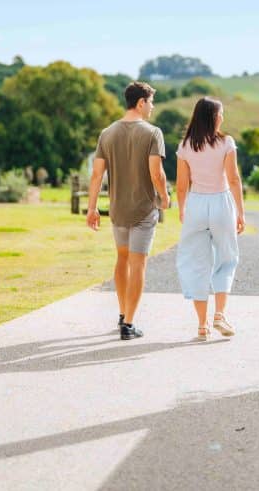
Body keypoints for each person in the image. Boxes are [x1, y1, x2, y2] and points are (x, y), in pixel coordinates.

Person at [87, 81, 170, 340]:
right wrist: (165, 196)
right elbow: (156, 172)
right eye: (151, 102)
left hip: (117, 210)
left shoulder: (107, 133)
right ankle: (129, 324)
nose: (152, 107)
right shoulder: (153, 133)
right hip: (144, 210)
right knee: (138, 264)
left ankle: (123, 314)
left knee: (122, 259)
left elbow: (96, 175)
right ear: (141, 102)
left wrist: (92, 208)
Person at [174, 97, 245, 341]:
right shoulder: (226, 142)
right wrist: (240, 212)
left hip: (195, 203)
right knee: (226, 259)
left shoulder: (185, 145)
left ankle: (202, 326)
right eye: (220, 114)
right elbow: (233, 179)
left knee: (197, 263)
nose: (222, 118)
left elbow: (181, 185)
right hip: (221, 202)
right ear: (213, 117)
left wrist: (183, 209)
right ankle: (220, 314)